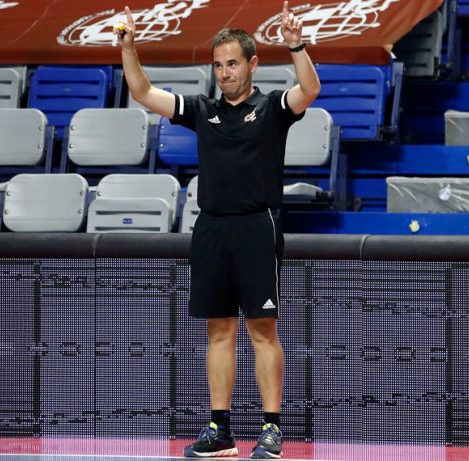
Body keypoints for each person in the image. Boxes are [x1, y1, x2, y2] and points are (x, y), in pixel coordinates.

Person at [114, 2, 320, 458]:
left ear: (252, 64)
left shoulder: (272, 108)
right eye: (218, 65)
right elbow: (143, 91)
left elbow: (309, 88)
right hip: (210, 228)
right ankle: (220, 429)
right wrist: (130, 47)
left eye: (232, 63)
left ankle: (271, 428)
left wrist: (296, 44)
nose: (224, 72)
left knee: (262, 329)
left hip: (256, 227)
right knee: (218, 331)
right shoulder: (201, 109)